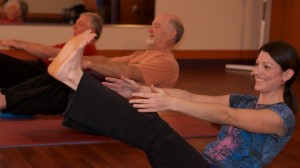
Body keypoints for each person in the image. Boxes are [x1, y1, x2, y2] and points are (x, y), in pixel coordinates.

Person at [48, 30, 299, 168]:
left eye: (267, 67)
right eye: (257, 64)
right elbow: (192, 95)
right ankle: (73, 79)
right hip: (202, 163)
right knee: (148, 129)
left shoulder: (280, 117)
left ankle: (73, 78)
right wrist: (140, 91)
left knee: (156, 132)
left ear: (287, 74)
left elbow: (226, 115)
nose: (257, 71)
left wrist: (170, 104)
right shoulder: (244, 100)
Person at [0, 13, 184, 115]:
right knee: (63, 83)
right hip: (108, 101)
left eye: (157, 26)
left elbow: (128, 71)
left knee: (64, 87)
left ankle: (5, 100)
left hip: (121, 112)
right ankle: (5, 99)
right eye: (151, 24)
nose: (150, 30)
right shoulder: (142, 54)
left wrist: (85, 62)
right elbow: (107, 61)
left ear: (171, 34)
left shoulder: (166, 63)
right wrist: (81, 62)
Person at [0, 12, 102, 88]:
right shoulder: (75, 44)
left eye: (80, 24)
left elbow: (53, 53)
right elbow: (46, 49)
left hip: (42, 76)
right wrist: (18, 42)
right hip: (39, 71)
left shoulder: (87, 48)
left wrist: (20, 44)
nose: (74, 27)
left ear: (92, 31)